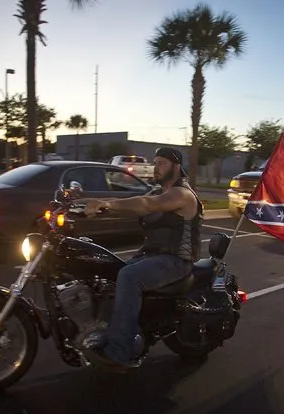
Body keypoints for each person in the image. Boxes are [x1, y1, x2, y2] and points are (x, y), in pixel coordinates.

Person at [81, 147, 204, 371]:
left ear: (176, 167)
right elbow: (135, 205)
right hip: (152, 255)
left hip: (176, 260)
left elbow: (147, 205)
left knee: (129, 276)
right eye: (155, 163)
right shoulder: (159, 191)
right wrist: (89, 204)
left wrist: (106, 203)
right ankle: (111, 331)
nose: (156, 168)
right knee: (108, 271)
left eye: (162, 163)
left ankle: (119, 351)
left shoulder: (182, 194)